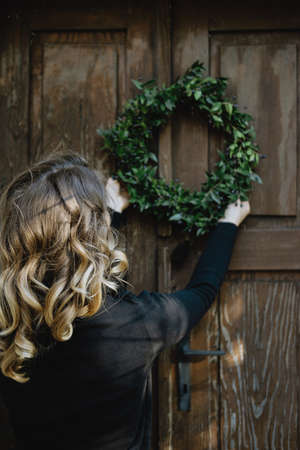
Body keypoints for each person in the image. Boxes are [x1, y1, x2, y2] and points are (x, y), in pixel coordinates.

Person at [0, 153, 250, 450]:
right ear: (95, 232)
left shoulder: (10, 321)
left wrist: (112, 212)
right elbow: (200, 293)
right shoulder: (135, 323)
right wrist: (228, 223)